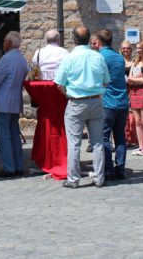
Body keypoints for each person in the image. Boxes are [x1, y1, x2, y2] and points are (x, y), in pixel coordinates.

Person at [54, 26, 109, 189]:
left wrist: (68, 95)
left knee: (74, 143)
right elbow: (106, 81)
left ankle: (73, 179)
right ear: (89, 39)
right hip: (95, 101)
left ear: (74, 39)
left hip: (77, 102)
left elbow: (59, 84)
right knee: (98, 142)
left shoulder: (69, 58)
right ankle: (99, 178)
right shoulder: (98, 57)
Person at [0, 31, 28, 177]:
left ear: (9, 43)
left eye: (4, 41)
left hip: (4, 101)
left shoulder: (7, 58)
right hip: (15, 100)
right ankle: (18, 165)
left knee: (4, 135)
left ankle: (9, 167)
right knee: (14, 134)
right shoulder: (22, 59)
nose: (3, 43)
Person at [96, 30, 130, 181]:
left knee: (104, 136)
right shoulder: (119, 57)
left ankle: (109, 170)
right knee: (120, 136)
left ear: (99, 42)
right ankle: (120, 169)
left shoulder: (100, 56)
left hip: (107, 101)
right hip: (122, 101)